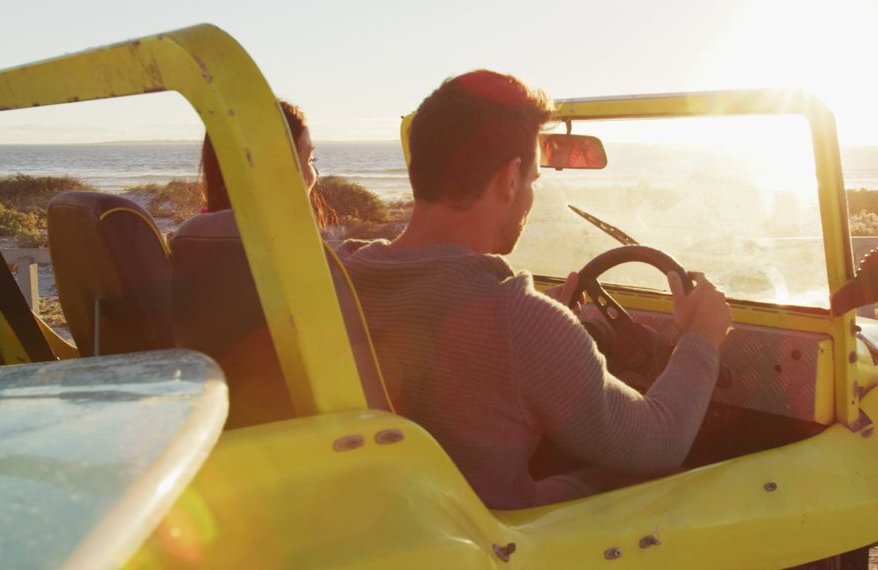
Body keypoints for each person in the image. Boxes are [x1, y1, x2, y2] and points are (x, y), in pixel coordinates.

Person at [337, 70, 732, 509]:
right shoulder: (517, 320)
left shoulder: (341, 274)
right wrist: (702, 338)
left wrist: (553, 331)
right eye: (533, 181)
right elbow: (658, 442)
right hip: (493, 542)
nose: (528, 197)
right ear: (510, 179)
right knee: (668, 478)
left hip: (396, 520)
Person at [199, 99, 329, 224]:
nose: (315, 173)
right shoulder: (287, 241)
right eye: (310, 159)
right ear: (277, 167)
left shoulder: (189, 235)